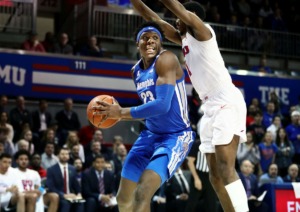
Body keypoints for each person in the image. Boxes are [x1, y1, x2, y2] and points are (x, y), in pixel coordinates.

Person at [129, 0, 248, 211]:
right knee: (215, 177)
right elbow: (152, 19)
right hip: (209, 106)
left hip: (226, 101)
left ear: (193, 17)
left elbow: (176, 8)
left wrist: (180, 11)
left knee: (226, 169)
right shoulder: (183, 39)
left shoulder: (204, 32)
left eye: (182, 16)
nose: (176, 19)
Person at [93, 21, 195, 212]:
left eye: (155, 38)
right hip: (150, 135)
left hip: (176, 136)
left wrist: (121, 113)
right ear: (137, 44)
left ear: (161, 44)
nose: (150, 41)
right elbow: (149, 106)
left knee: (142, 193)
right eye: (145, 38)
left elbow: (163, 105)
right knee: (123, 199)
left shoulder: (167, 59)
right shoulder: (136, 71)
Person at [46, 147, 84, 212]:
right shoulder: (51, 169)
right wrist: (63, 195)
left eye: (66, 154)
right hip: (59, 196)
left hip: (71, 196)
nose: (64, 156)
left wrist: (79, 193)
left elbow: (76, 185)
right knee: (66, 203)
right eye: (62, 154)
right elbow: (51, 187)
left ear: (69, 156)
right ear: (58, 156)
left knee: (80, 202)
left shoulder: (72, 169)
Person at [185, 139, 218, 212]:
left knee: (212, 205)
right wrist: (196, 179)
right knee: (191, 204)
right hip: (199, 175)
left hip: (211, 177)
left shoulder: (217, 144)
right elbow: (190, 162)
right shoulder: (198, 143)